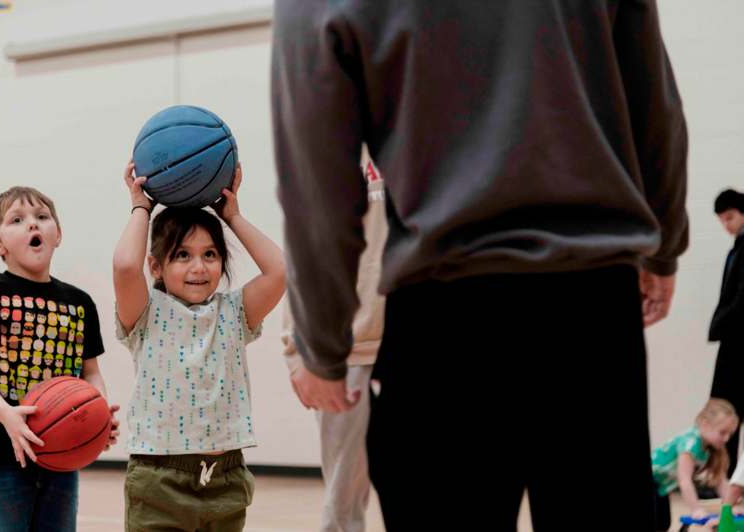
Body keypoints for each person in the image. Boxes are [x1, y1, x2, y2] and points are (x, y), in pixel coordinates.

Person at [271, 1, 688, 529]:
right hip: (590, 310)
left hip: (446, 321)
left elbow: (316, 183)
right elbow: (653, 101)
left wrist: (323, 344)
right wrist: (663, 244)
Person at [113, 162, 285, 531]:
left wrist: (233, 216)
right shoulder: (145, 312)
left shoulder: (234, 312)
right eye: (182, 254)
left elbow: (279, 271)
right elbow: (126, 266)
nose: (199, 266)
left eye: (210, 254)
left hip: (226, 477)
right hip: (159, 478)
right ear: (156, 267)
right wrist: (141, 207)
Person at [0, 186, 118, 532]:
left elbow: (90, 373)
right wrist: (6, 415)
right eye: (17, 220)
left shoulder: (80, 302)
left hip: (61, 457)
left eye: (42, 217)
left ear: (58, 235)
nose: (33, 225)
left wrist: (98, 412)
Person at [281, 152, 386, 532]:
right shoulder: (334, 140)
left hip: (420, 339)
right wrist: (296, 349)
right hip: (346, 350)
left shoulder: (426, 130)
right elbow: (303, 248)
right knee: (344, 500)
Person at [651, 398, 738, 531]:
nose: (726, 439)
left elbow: (721, 482)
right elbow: (684, 480)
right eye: (722, 432)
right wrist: (696, 509)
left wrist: (730, 508)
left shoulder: (711, 448)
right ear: (705, 424)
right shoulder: (690, 442)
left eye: (730, 434)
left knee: (663, 522)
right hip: (653, 479)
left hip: (660, 486)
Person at [709, 189, 744, 476]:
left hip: (738, 338)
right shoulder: (737, 248)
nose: (726, 225)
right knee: (726, 407)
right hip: (733, 336)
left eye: (730, 217)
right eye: (722, 219)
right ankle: (725, 476)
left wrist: (721, 321)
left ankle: (726, 477)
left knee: (726, 406)